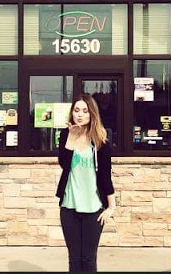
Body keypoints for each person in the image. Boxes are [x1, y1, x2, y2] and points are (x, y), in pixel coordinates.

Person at [56, 94, 116, 272]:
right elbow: (64, 164)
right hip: (69, 208)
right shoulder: (65, 135)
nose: (80, 114)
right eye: (76, 110)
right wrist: (71, 138)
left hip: (93, 209)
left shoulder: (100, 139)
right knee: (74, 260)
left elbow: (105, 175)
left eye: (85, 111)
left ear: (92, 114)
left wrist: (111, 207)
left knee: (88, 260)